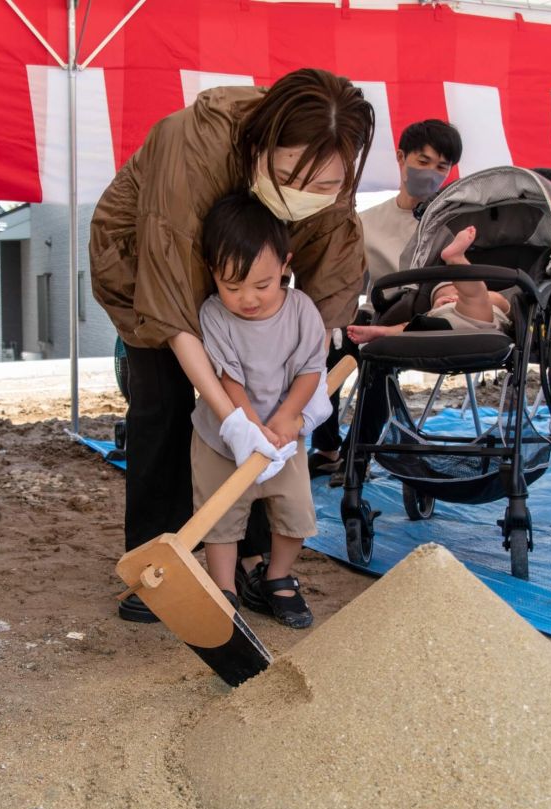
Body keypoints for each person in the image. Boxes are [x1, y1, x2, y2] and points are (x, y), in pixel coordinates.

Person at [89, 69, 374, 622]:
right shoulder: (193, 141)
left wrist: (311, 378)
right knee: (168, 403)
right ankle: (161, 562)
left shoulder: (333, 164)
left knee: (269, 407)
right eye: (290, 174)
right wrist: (228, 415)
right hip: (150, 258)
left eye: (322, 184)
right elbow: (172, 304)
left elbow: (334, 267)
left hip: (255, 273)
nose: (303, 192)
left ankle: (254, 558)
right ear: (261, 145)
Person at [192, 193, 331, 629]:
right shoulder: (213, 314)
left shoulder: (302, 310)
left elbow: (312, 369)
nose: (247, 298)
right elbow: (227, 378)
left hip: (285, 439)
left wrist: (288, 417)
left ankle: (278, 576)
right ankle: (223, 591)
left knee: (294, 510)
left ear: (285, 265)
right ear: (212, 272)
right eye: (232, 286)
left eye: (262, 285)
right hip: (221, 436)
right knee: (221, 516)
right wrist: (249, 425)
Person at [308, 118, 463, 483]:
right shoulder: (367, 222)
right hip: (370, 315)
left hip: (416, 324)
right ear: (401, 157)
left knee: (377, 363)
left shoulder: (451, 226)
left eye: (441, 167)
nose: (430, 173)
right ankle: (327, 447)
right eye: (422, 161)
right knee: (326, 354)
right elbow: (348, 285)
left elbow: (452, 291)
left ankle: (356, 456)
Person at [347, 226, 511, 345]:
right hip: (454, 320)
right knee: (475, 296)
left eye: (456, 287)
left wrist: (452, 300)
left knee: (411, 327)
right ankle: (455, 260)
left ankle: (382, 331)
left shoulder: (490, 303)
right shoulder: (486, 302)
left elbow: (493, 299)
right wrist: (445, 302)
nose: (456, 290)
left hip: (446, 322)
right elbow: (489, 298)